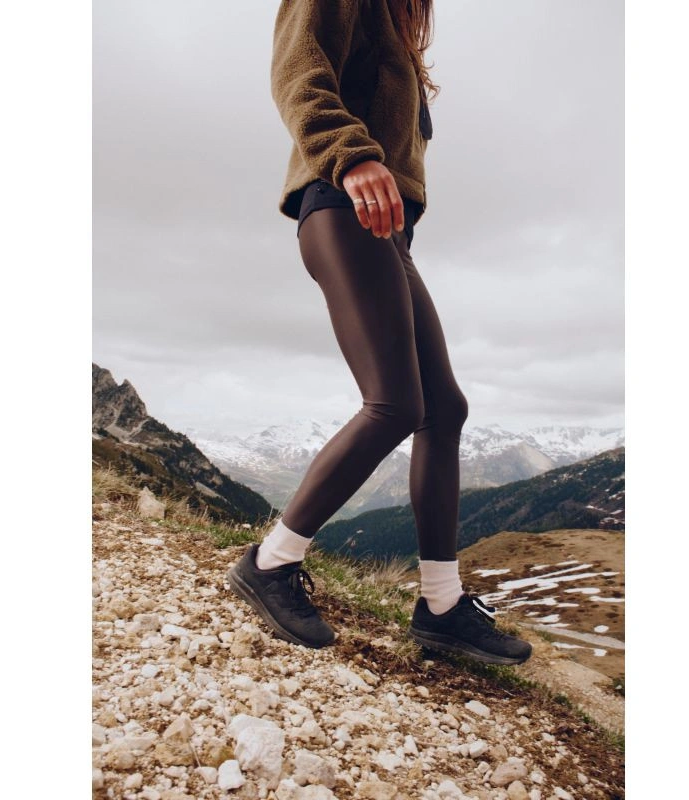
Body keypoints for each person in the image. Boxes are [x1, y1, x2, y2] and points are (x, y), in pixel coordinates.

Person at [227, 0, 531, 666]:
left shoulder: (393, 26)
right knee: (394, 403)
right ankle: (270, 563)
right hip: (338, 203)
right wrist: (350, 155)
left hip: (383, 230)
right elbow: (297, 70)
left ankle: (441, 605)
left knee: (443, 408)